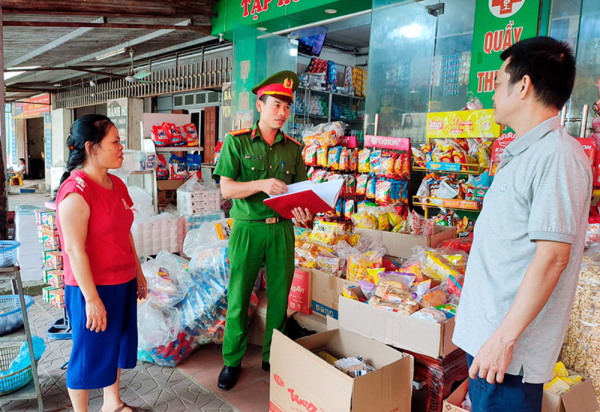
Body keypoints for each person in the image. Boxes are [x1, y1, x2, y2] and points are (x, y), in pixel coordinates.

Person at [452, 37, 591, 411]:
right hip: (491, 347)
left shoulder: (557, 157)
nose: (494, 95)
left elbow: (552, 259)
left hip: (507, 359)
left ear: (524, 86)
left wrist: (503, 340)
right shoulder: (527, 152)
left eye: (499, 84)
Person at [213, 70, 313, 390]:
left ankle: (273, 355)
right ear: (260, 105)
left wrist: (304, 213)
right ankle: (232, 361)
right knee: (240, 297)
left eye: (286, 107)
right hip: (247, 229)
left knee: (280, 298)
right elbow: (227, 190)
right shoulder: (237, 141)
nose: (282, 113)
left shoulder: (293, 149)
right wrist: (261, 185)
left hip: (281, 230)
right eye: (276, 105)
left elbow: (299, 195)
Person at [56, 115, 148, 412]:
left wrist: (138, 270)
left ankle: (113, 403)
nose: (122, 148)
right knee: (87, 354)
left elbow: (124, 232)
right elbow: (74, 250)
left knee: (115, 344)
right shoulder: (76, 192)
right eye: (116, 142)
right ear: (91, 148)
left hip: (121, 282)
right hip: (92, 288)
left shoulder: (116, 184)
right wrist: (92, 299)